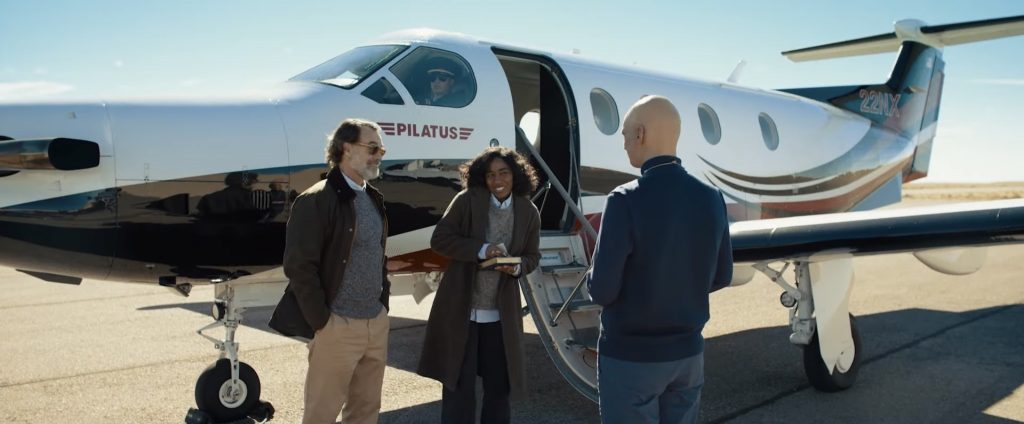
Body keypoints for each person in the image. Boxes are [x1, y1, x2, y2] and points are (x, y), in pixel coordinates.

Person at [586, 95, 733, 424]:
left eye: (625, 135)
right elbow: (722, 275)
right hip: (688, 357)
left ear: (640, 133)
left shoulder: (624, 200)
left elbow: (603, 290)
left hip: (632, 359)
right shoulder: (712, 198)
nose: (624, 144)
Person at [268, 118, 391, 424]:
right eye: (372, 148)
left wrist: (382, 308)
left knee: (365, 413)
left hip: (374, 323)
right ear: (346, 149)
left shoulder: (373, 198)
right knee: (320, 416)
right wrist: (323, 321)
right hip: (337, 327)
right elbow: (299, 266)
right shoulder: (316, 199)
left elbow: (378, 255)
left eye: (381, 150)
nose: (378, 155)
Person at [417, 147, 542, 424]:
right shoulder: (466, 200)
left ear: (516, 175)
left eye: (504, 173)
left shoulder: (528, 211)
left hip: (500, 316)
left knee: (499, 389)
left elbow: (533, 256)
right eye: (490, 175)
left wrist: (516, 266)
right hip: (463, 311)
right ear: (482, 178)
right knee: (458, 390)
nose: (497, 180)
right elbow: (440, 239)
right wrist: (482, 249)